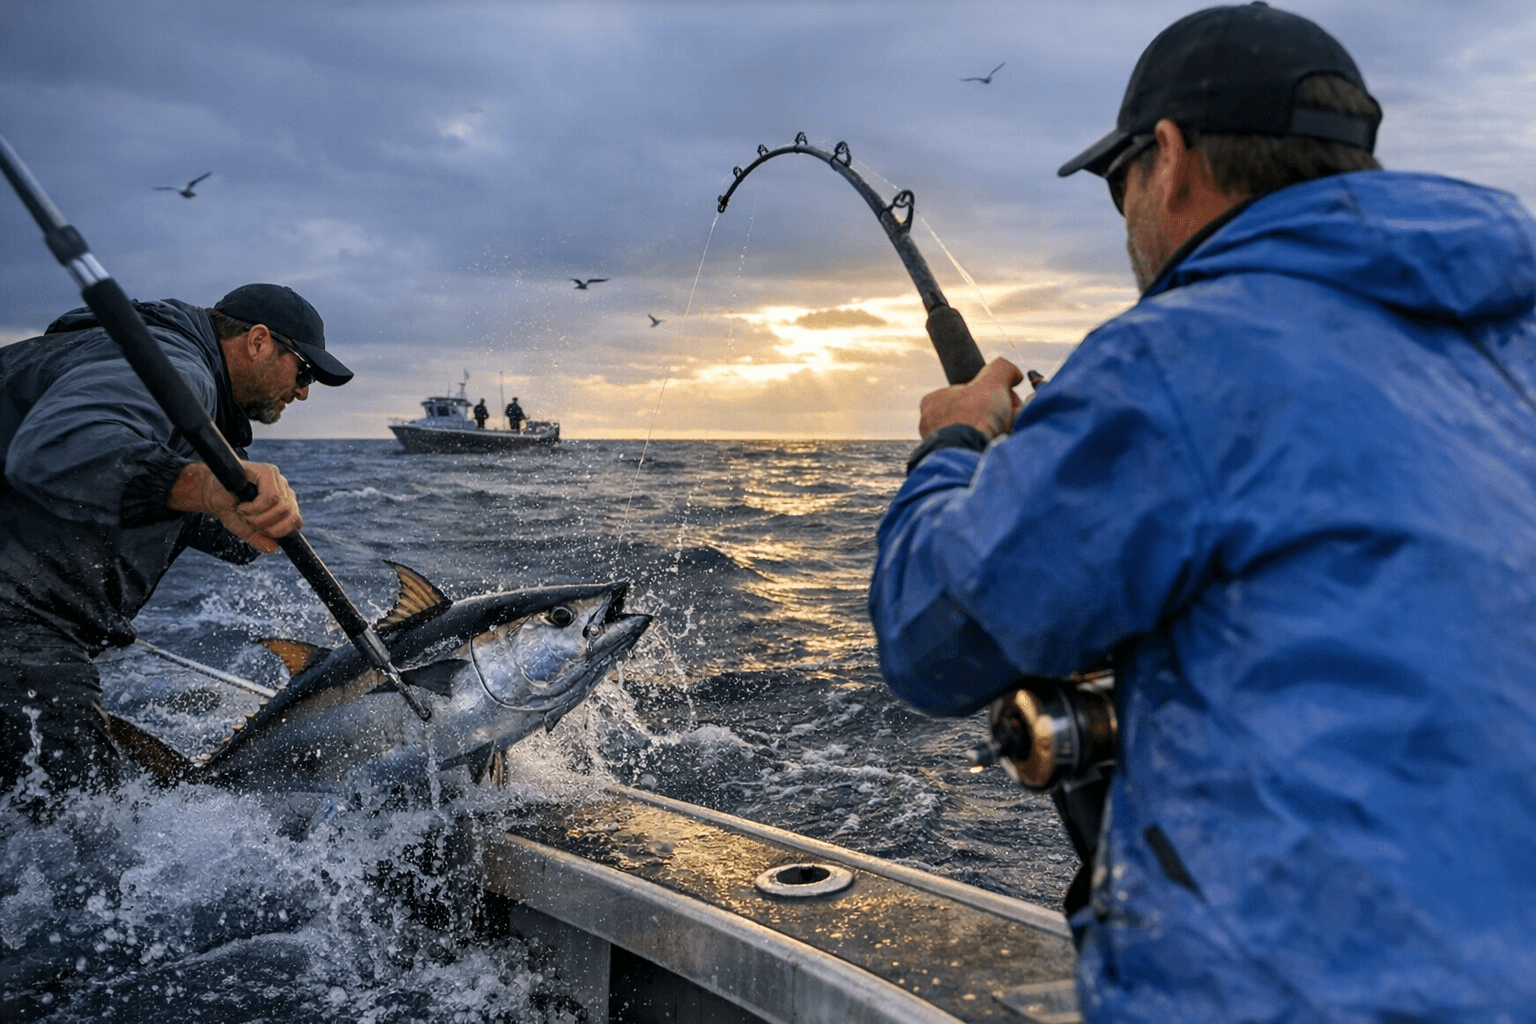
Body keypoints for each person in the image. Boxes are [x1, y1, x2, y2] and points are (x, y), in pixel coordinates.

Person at [868, 4, 1536, 1021]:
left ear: (1169, 159)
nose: (1126, 212)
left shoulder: (1174, 360)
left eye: (1118, 178)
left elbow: (930, 634)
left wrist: (956, 443)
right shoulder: (1511, 349)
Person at [0, 283, 353, 804]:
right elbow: (53, 449)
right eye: (303, 371)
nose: (303, 392)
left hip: (31, 615)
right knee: (82, 832)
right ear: (257, 342)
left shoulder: (182, 393)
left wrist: (238, 521)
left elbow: (138, 490)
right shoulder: (173, 367)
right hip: (20, 620)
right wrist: (208, 488)